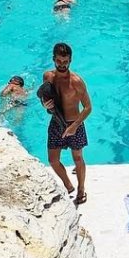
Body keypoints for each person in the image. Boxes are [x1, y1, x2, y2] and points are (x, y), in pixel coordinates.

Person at [41, 41, 91, 205]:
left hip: (74, 124)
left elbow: (88, 107)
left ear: (70, 61)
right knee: (53, 160)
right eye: (59, 61)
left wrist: (74, 126)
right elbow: (45, 97)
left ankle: (81, 189)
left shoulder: (76, 81)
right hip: (56, 122)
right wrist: (44, 104)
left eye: (65, 61)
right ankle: (68, 185)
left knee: (78, 158)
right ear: (53, 59)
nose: (62, 65)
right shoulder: (48, 77)